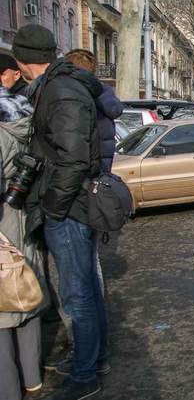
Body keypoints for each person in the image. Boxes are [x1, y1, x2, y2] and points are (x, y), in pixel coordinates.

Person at [13, 24, 107, 400]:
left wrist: (52, 208)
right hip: (73, 206)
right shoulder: (62, 85)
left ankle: (85, 375)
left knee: (77, 296)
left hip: (69, 210)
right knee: (86, 291)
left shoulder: (60, 89)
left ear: (21, 62)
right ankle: (93, 360)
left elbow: (72, 159)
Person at [0, 86, 50, 400]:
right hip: (25, 218)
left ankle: (7, 390)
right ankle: (33, 378)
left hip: (3, 223)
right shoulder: (26, 124)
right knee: (27, 295)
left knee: (3, 310)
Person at [65, 49, 123, 172]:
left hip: (91, 156)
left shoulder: (96, 90)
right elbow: (115, 110)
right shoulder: (102, 90)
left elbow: (114, 110)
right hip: (99, 154)